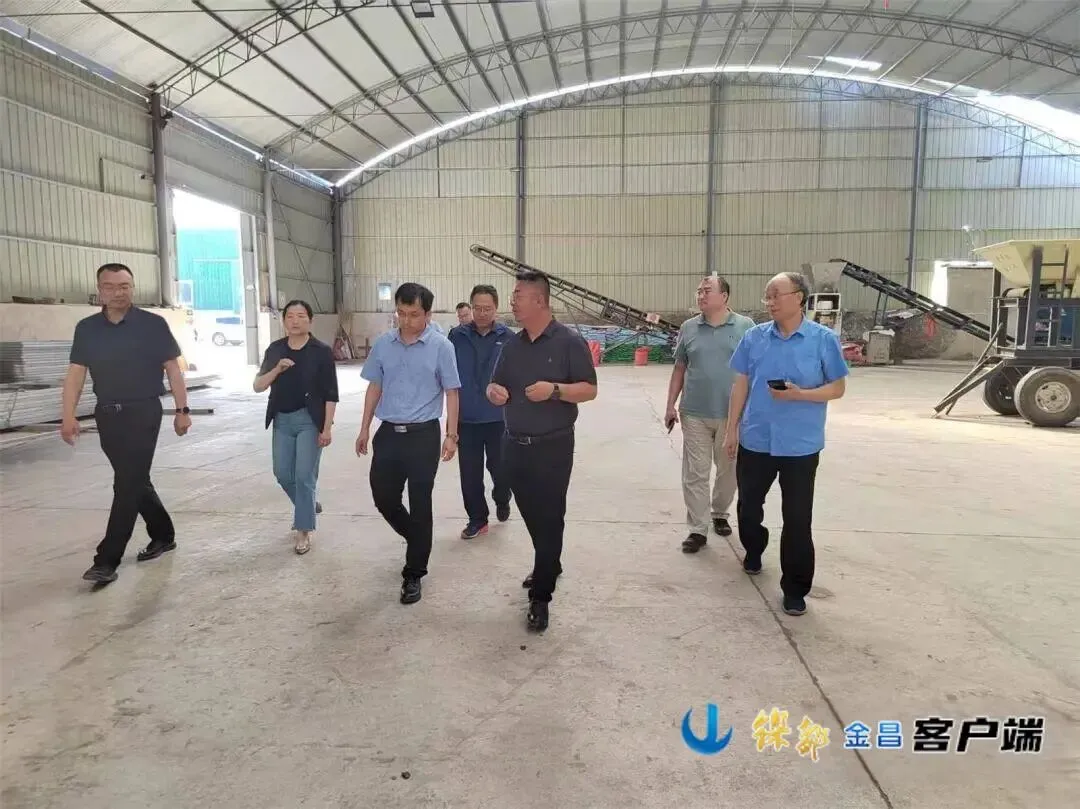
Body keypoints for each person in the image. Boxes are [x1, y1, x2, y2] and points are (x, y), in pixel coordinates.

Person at [723, 272, 849, 617]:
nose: (771, 302)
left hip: (800, 445)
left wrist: (800, 395)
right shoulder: (754, 337)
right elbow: (740, 384)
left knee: (797, 519)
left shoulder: (823, 340)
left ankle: (795, 588)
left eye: (776, 295)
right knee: (749, 508)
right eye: (767, 296)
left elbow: (837, 388)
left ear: (799, 298)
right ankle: (754, 547)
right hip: (756, 438)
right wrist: (732, 429)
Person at [61, 263, 192, 585]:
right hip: (107, 414)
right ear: (99, 291)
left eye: (125, 286)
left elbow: (173, 369)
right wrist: (68, 414)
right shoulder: (87, 329)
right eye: (110, 286)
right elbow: (76, 374)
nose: (118, 292)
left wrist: (182, 409)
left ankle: (106, 560)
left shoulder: (153, 324)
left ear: (133, 288)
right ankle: (163, 534)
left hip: (143, 411)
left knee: (126, 485)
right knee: (133, 480)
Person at [487, 269, 597, 632]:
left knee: (550, 517)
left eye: (518, 295)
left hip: (553, 446)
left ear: (539, 300)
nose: (512, 301)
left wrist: (555, 390)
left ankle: (541, 596)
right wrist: (493, 393)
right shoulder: (511, 346)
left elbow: (589, 389)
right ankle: (549, 561)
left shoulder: (568, 342)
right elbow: (494, 385)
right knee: (533, 514)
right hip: (514, 444)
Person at [356, 283, 461, 604]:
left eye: (414, 314)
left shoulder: (441, 347)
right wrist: (364, 428)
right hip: (388, 433)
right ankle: (418, 538)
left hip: (423, 436)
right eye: (401, 313)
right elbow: (375, 387)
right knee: (383, 497)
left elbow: (452, 392)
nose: (406, 321)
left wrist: (451, 435)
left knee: (420, 502)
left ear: (428, 313)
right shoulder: (383, 344)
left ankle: (414, 573)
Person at [665, 276, 755, 554]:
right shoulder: (688, 327)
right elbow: (680, 368)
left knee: (729, 471)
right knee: (695, 472)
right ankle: (697, 528)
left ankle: (719, 512)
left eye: (707, 291)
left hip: (732, 414)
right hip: (694, 412)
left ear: (724, 296)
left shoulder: (746, 327)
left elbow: (754, 369)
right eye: (699, 291)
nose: (701, 295)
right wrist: (670, 405)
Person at [253, 300, 340, 555]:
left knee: (304, 475)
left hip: (309, 421)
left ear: (310, 321)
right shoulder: (275, 350)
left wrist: (326, 428)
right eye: (290, 316)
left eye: (301, 316)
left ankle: (303, 530)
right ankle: (308, 504)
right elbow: (258, 386)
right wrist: (277, 369)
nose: (295, 321)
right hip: (282, 420)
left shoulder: (321, 352)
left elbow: (331, 393)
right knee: (282, 473)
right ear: (283, 321)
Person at [449, 284, 512, 539]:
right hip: (467, 419)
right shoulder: (457, 337)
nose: (482, 313)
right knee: (470, 474)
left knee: (501, 469)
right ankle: (477, 519)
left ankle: (502, 496)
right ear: (471, 307)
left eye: (487, 308)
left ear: (496, 308)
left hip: (499, 419)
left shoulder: (508, 338)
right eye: (477, 308)